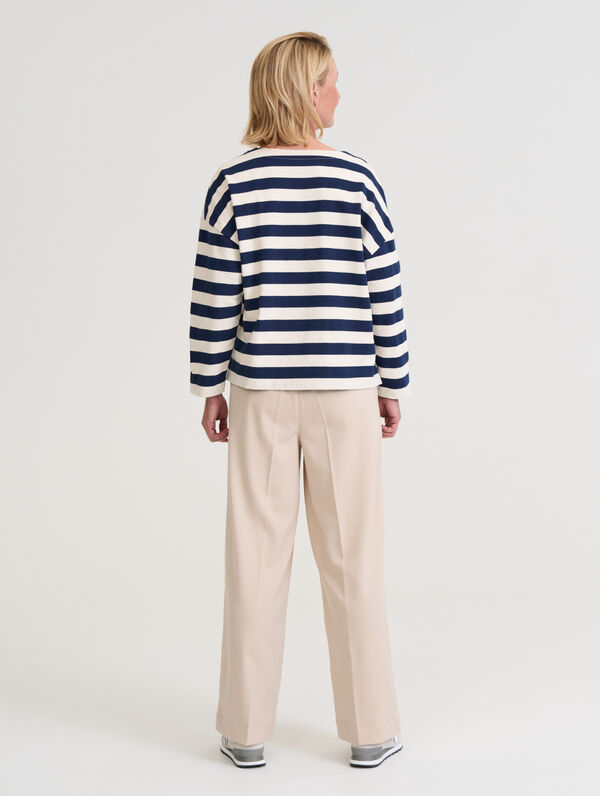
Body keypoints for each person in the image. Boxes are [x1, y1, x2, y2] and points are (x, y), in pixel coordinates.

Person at [189, 31, 410, 769]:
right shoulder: (357, 180)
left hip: (261, 394)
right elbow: (384, 290)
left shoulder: (232, 183)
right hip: (346, 392)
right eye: (331, 81)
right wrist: (392, 381)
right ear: (305, 92)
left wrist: (208, 383)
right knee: (354, 561)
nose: (340, 93)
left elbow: (215, 295)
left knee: (255, 560)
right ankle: (371, 731)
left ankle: (245, 732)